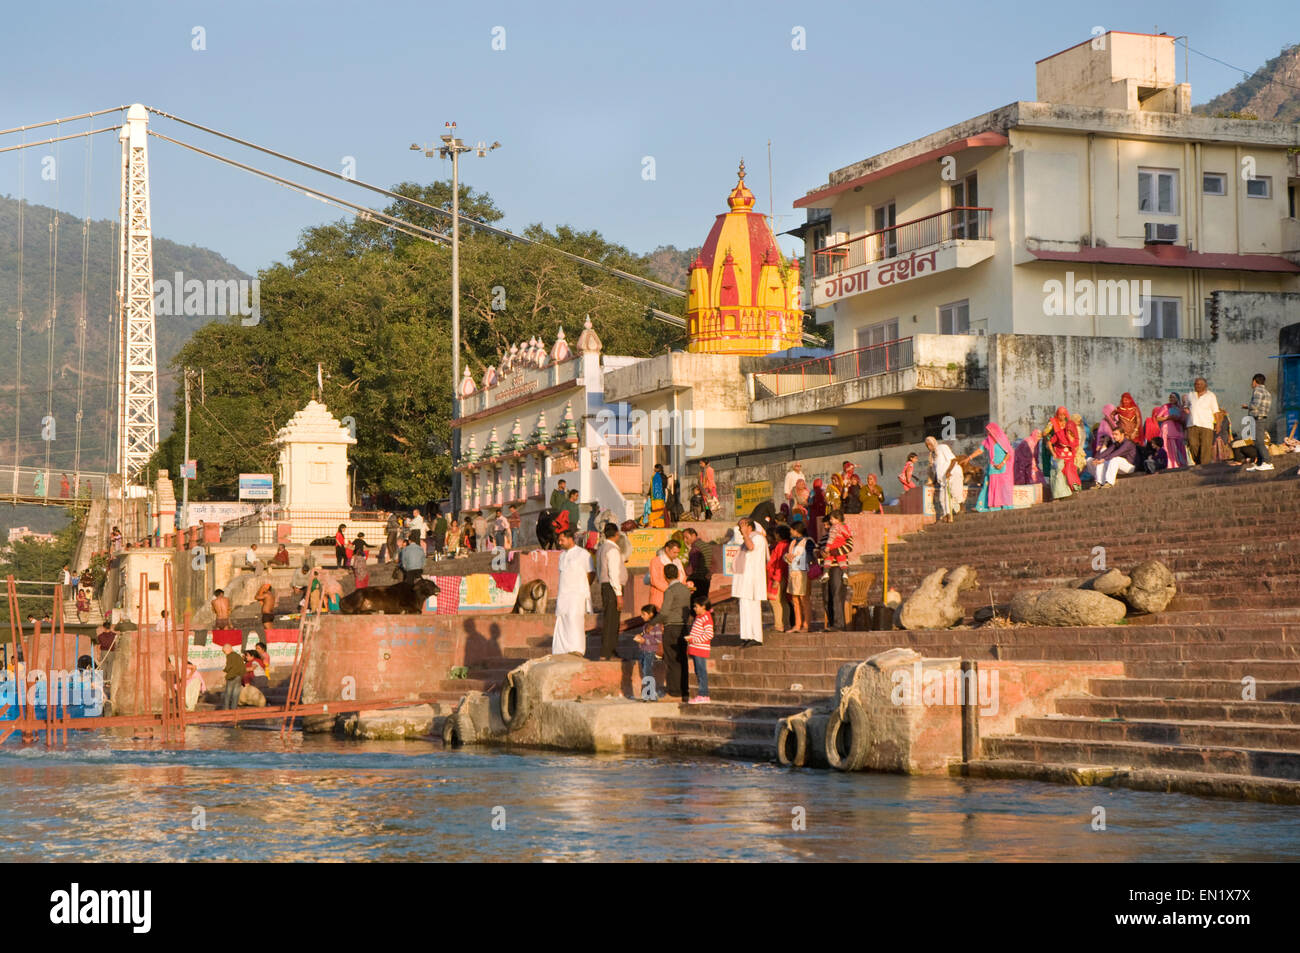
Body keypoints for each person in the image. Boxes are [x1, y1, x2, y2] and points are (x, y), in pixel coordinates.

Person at [552, 529, 594, 656]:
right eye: (559, 540)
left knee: (575, 620)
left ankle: (577, 650)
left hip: (577, 594)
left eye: (562, 540)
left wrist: (582, 587)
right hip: (563, 594)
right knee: (562, 619)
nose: (560, 543)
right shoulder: (562, 556)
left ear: (570, 539)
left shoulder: (583, 554)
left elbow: (591, 573)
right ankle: (560, 650)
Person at [653, 564, 692, 699]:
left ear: (665, 576)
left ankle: (673, 691)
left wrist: (652, 623)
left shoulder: (670, 591)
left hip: (671, 628)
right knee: (682, 660)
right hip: (683, 627)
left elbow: (664, 612)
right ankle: (684, 691)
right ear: (678, 574)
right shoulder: (686, 590)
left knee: (671, 661)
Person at [733, 517, 769, 647]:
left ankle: (756, 636)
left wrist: (745, 534)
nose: (740, 529)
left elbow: (751, 547)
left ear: (749, 526)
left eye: (741, 526)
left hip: (752, 580)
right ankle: (747, 635)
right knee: (745, 608)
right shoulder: (748, 538)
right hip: (745, 581)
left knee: (753, 608)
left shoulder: (757, 538)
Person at [596, 523, 627, 661]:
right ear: (616, 534)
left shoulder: (602, 548)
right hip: (612, 587)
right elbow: (613, 573)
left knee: (612, 619)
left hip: (606, 586)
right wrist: (619, 594)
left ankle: (610, 650)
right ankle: (606, 652)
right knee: (612, 620)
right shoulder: (612, 550)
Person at [819, 510, 853, 631]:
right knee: (826, 598)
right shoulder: (824, 538)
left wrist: (832, 552)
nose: (826, 527)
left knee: (837, 596)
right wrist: (820, 554)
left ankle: (839, 624)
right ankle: (832, 623)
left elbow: (849, 547)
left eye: (828, 524)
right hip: (826, 569)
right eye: (825, 526)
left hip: (838, 567)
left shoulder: (842, 534)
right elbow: (819, 551)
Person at [974, 422, 1014, 512]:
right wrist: (969, 457)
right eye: (987, 431)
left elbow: (1009, 453)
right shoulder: (988, 441)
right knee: (993, 487)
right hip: (993, 469)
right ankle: (995, 506)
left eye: (989, 431)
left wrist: (1002, 463)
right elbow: (980, 450)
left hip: (1003, 468)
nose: (988, 433)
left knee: (1004, 487)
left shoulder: (1002, 439)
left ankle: (1007, 506)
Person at [925, 436, 965, 523]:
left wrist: (948, 471)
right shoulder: (933, 456)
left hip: (953, 473)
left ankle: (962, 508)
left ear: (934, 442)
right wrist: (933, 482)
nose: (929, 447)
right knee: (942, 498)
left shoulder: (942, 447)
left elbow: (953, 460)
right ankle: (947, 514)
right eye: (927, 445)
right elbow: (937, 471)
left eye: (930, 444)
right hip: (943, 480)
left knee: (956, 492)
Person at [1047, 406, 1082, 499]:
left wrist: (1074, 453)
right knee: (1059, 471)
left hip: (1070, 456)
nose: (1062, 417)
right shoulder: (1058, 431)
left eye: (1063, 414)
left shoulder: (1074, 433)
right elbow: (1049, 441)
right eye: (1060, 414)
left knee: (1070, 469)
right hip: (1059, 455)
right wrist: (1053, 453)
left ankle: (1074, 488)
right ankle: (1059, 494)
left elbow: (1076, 445)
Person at [1242, 373, 1275, 471]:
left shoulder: (1257, 390)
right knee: (1257, 441)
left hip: (1257, 418)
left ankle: (1267, 462)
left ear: (1254, 381)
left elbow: (1255, 405)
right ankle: (1260, 463)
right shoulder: (1267, 392)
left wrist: (1247, 406)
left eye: (1252, 382)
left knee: (1259, 441)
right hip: (1262, 417)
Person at [1184, 377, 1220, 465]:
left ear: (1205, 385)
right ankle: (1198, 462)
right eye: (1196, 384)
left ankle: (1204, 466)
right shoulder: (1190, 395)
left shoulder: (1211, 395)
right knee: (1193, 445)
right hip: (1192, 424)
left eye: (1200, 384)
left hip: (1206, 425)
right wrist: (1186, 409)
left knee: (1206, 446)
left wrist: (1218, 424)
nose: (1197, 386)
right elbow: (1186, 406)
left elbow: (1216, 411)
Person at [784, 520, 812, 632]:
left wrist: (798, 558)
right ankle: (797, 624)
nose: (790, 531)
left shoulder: (808, 541)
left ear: (797, 530)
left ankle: (806, 625)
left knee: (804, 599)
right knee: (795, 599)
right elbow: (786, 556)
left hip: (803, 573)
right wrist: (787, 557)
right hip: (792, 572)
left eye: (792, 529)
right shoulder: (792, 542)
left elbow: (811, 556)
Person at [685, 597, 714, 704]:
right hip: (696, 648)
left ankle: (703, 695)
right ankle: (702, 694)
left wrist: (693, 639)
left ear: (703, 607)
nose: (694, 608)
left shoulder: (706, 617)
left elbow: (709, 634)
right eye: (694, 606)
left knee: (701, 672)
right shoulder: (699, 617)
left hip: (700, 649)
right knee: (699, 672)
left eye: (696, 606)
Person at [633, 604, 663, 698]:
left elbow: (658, 640)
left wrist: (644, 640)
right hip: (644, 651)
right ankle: (648, 693)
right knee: (645, 671)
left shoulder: (656, 626)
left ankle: (650, 693)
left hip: (650, 652)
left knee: (647, 671)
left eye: (643, 614)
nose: (641, 616)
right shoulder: (646, 626)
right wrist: (640, 638)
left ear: (650, 614)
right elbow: (645, 637)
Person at [649, 539, 687, 609]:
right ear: (667, 549)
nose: (676, 555)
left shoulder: (678, 562)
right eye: (674, 552)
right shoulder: (656, 561)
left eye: (678, 553)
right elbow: (655, 581)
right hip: (660, 597)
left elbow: (683, 578)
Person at [767, 524, 791, 633]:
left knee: (775, 601)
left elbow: (780, 563)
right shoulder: (786, 545)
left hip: (778, 576)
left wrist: (776, 579)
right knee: (783, 601)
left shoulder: (781, 546)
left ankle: (779, 625)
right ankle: (786, 624)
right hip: (784, 575)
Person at [682, 527, 712, 601]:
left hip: (697, 579)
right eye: (684, 538)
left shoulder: (695, 548)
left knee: (695, 602)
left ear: (693, 535)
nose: (685, 540)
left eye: (686, 537)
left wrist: (684, 572)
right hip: (707, 578)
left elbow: (691, 568)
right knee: (703, 601)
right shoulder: (705, 545)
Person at [221, 642, 245, 710]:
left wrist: (224, 670)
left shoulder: (230, 656)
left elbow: (229, 666)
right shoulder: (238, 655)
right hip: (239, 676)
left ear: (229, 649)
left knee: (228, 694)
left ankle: (226, 709)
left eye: (224, 651)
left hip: (232, 676)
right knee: (235, 694)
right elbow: (242, 667)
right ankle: (234, 709)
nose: (225, 653)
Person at [807, 478, 826, 542]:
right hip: (821, 512)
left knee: (813, 527)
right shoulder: (823, 491)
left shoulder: (812, 492)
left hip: (814, 512)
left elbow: (810, 502)